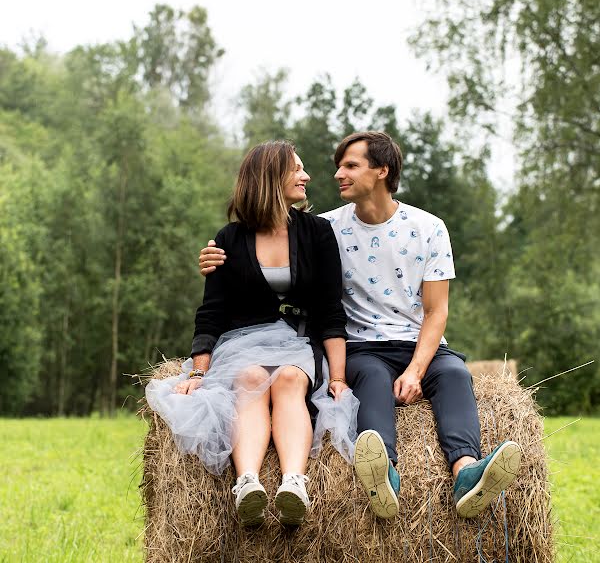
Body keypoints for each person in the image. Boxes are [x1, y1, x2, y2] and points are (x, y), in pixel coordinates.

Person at [199, 132, 522, 520]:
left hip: (416, 343)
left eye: (350, 166)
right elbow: (273, 247)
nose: (335, 174)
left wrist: (417, 370)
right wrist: (216, 258)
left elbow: (436, 312)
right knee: (369, 377)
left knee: (455, 373)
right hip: (362, 346)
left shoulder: (429, 227)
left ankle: (466, 470)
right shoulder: (326, 227)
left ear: (382, 171)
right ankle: (383, 471)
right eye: (338, 165)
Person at [146, 141, 358, 527]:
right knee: (251, 379)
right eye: (295, 169)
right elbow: (212, 311)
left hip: (297, 340)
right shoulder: (229, 238)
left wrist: (339, 378)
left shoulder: (317, 233)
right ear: (269, 178)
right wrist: (198, 371)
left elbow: (330, 311)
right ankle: (247, 483)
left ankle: (294, 483)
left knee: (291, 379)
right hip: (242, 340)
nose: (305, 176)